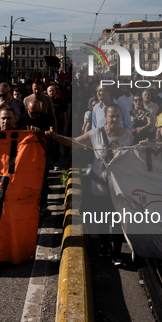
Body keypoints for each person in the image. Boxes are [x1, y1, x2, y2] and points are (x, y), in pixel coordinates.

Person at [46, 104, 133, 265]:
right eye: (111, 116)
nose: (114, 119)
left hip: (119, 188)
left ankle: (117, 252)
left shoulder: (128, 136)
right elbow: (75, 142)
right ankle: (105, 247)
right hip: (99, 187)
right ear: (105, 117)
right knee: (102, 220)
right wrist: (56, 137)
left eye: (117, 116)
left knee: (118, 222)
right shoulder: (96, 134)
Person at [17, 100, 56, 218]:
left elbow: (50, 134)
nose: (35, 116)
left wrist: (40, 132)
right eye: (32, 113)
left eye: (37, 113)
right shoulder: (21, 120)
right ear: (27, 110)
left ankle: (43, 206)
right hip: (26, 156)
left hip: (43, 155)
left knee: (42, 182)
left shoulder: (47, 118)